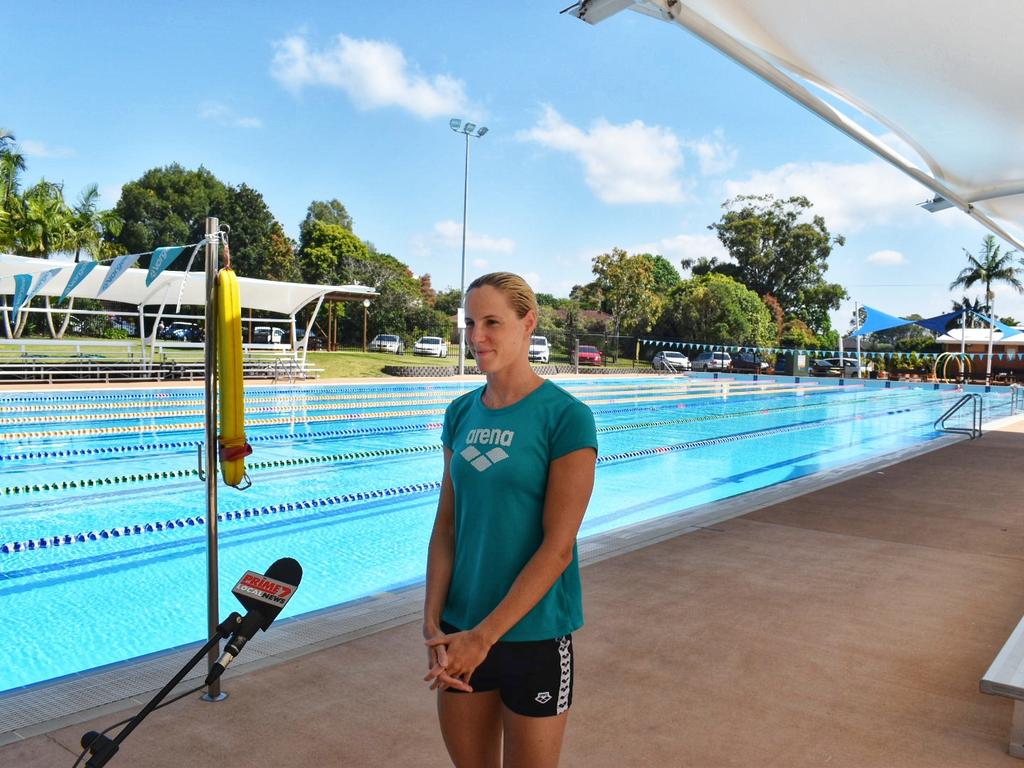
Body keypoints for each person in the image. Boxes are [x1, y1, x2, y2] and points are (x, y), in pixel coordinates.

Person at [423, 272, 597, 767]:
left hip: (535, 634)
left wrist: (486, 637)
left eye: (493, 322)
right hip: (460, 629)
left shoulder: (565, 418)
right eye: (471, 323)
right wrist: (433, 622)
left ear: (528, 324)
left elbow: (557, 547)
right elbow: (447, 528)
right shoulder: (460, 414)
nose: (477, 337)